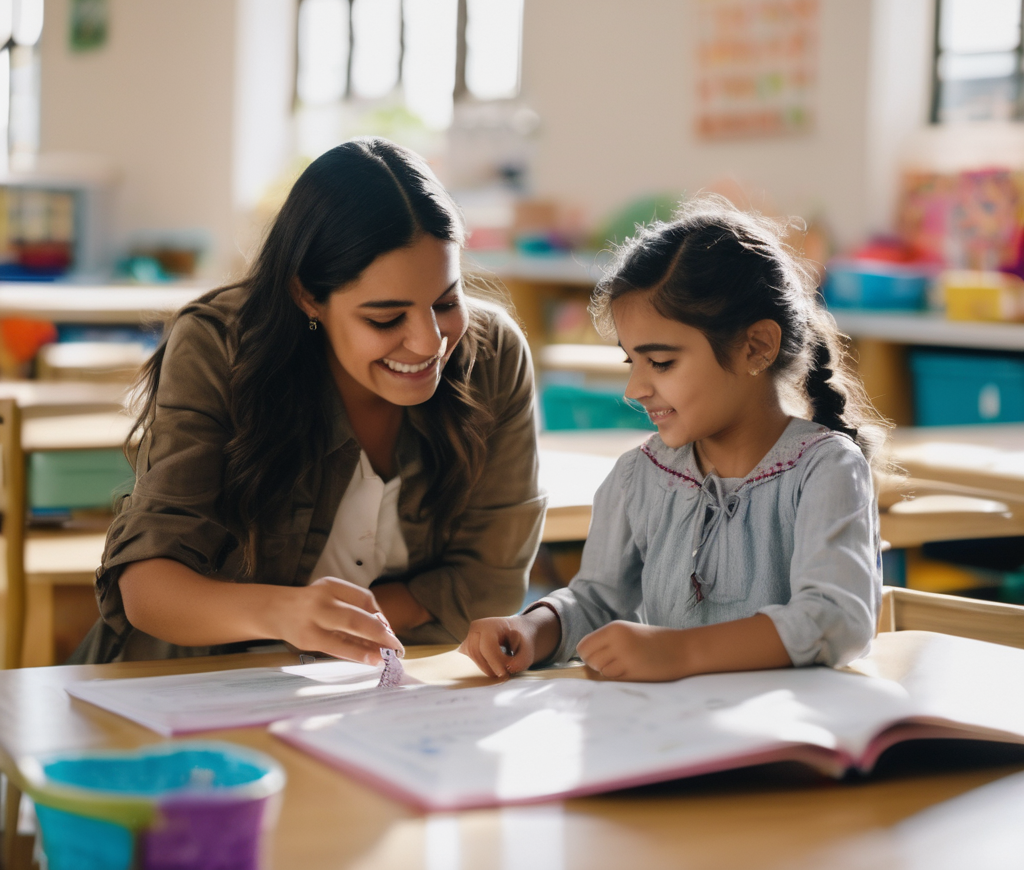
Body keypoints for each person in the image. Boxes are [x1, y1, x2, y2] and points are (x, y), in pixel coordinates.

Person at [74, 138, 545, 663]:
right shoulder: (221, 346)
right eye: (386, 318)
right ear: (307, 296)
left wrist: (336, 623)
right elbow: (148, 588)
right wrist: (287, 615)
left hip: (368, 687)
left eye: (446, 302)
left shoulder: (493, 353)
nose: (429, 341)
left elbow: (492, 584)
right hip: (179, 680)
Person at [461, 199, 886, 683]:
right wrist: (531, 628)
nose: (634, 389)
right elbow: (595, 600)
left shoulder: (825, 470)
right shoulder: (639, 476)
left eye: (661, 363)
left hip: (787, 724)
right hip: (668, 724)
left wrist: (680, 652)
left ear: (757, 347)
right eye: (632, 362)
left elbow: (836, 618)